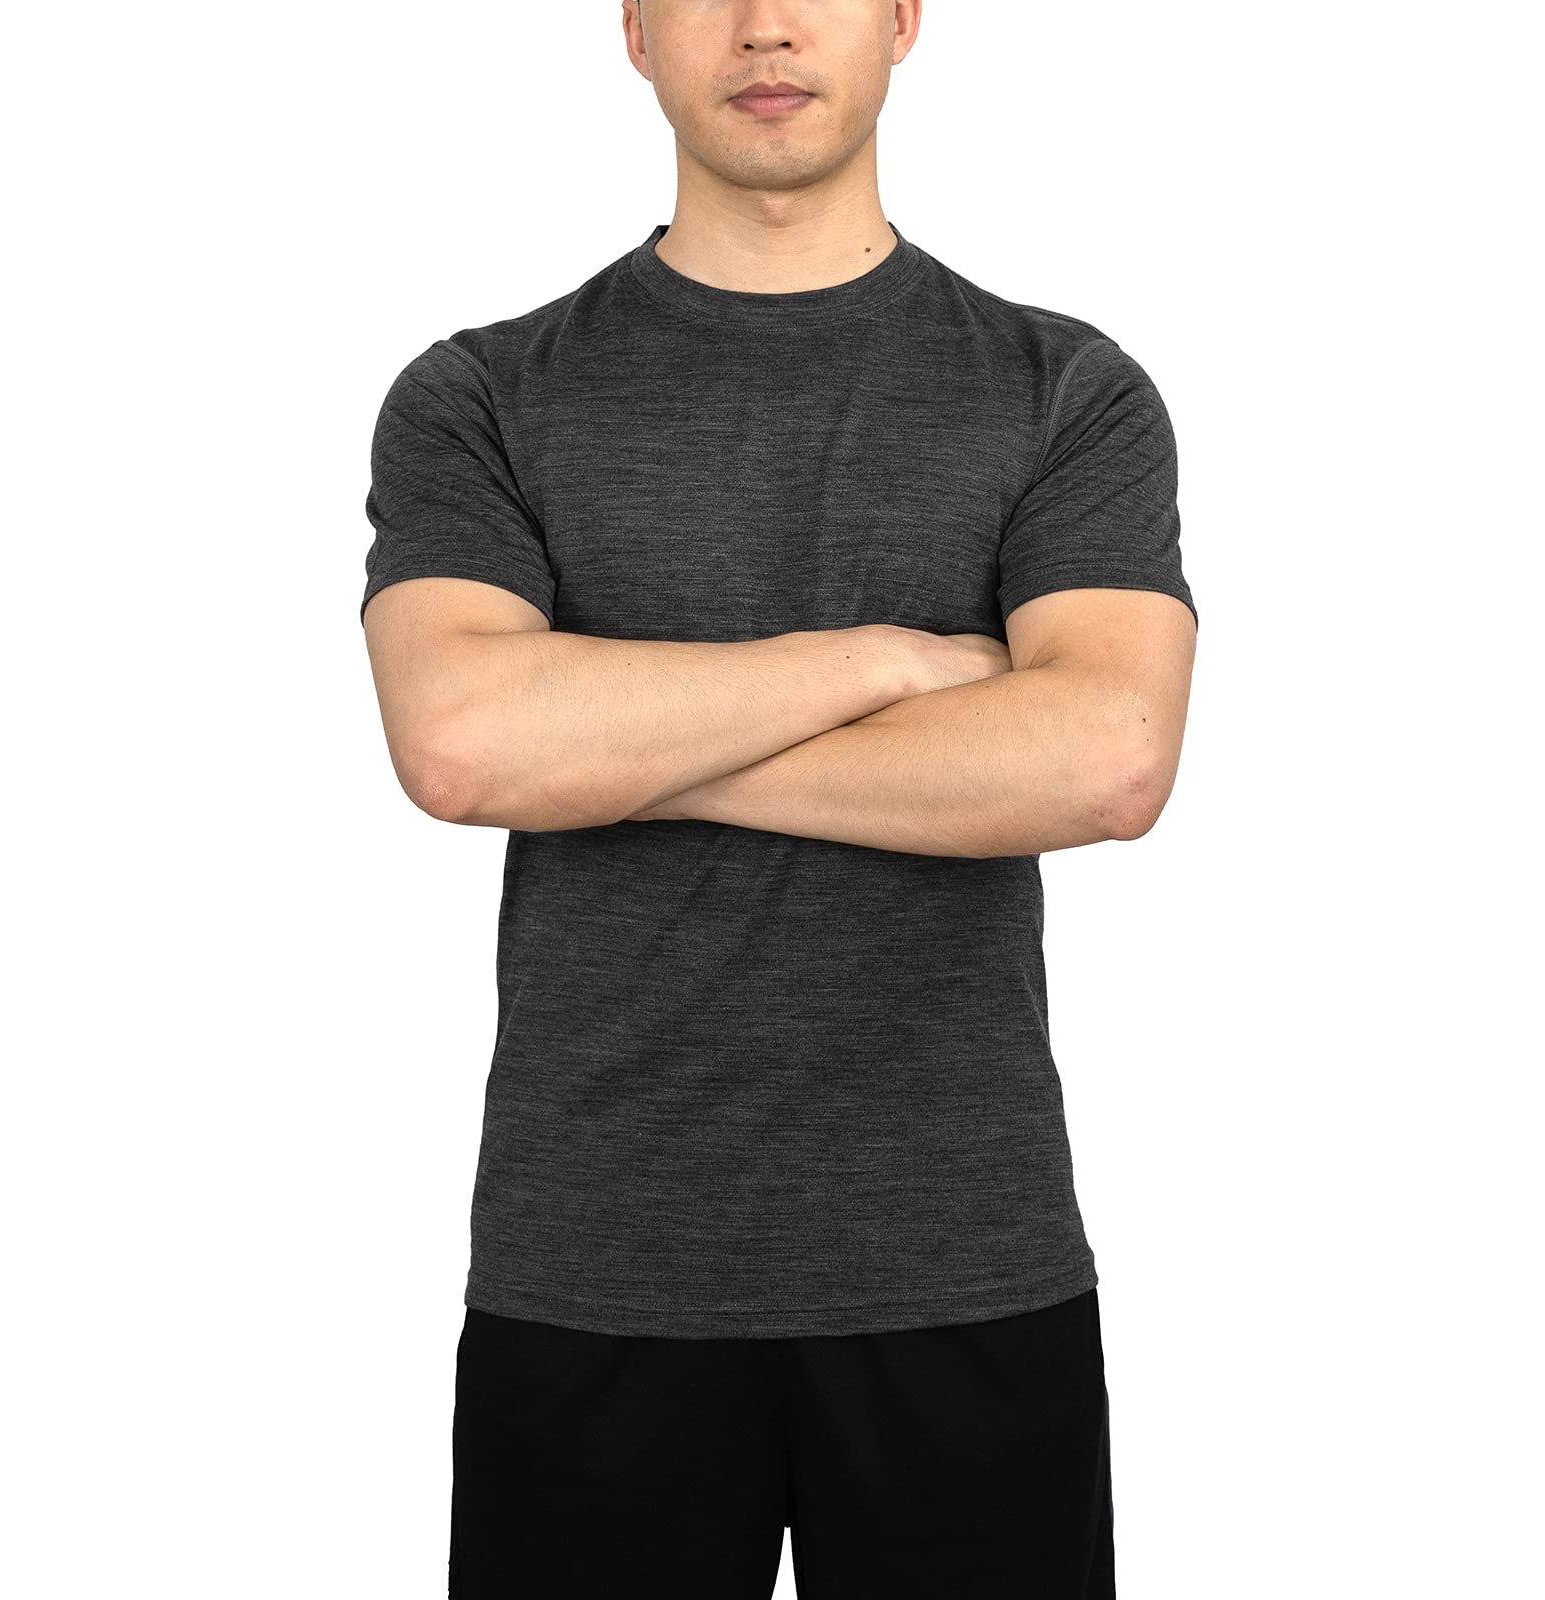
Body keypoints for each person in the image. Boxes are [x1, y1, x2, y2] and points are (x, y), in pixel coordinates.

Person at [359, 2, 1197, 1594]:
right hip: (595, 1270)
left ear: (901, 20)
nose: (762, 26)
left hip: (963, 1262)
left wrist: (618, 749)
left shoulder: (1063, 388)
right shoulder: (480, 393)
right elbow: (462, 743)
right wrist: (884, 662)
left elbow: (1107, 757)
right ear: (634, 30)